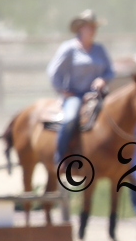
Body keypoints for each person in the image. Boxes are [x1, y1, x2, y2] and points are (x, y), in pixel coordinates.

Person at [46, 10, 114, 168]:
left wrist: (103, 79)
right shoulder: (69, 48)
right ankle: (60, 157)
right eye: (90, 27)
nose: (93, 30)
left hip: (97, 95)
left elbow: (110, 70)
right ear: (80, 28)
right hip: (75, 95)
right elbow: (53, 71)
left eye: (94, 27)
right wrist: (63, 90)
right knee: (70, 119)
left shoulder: (99, 49)